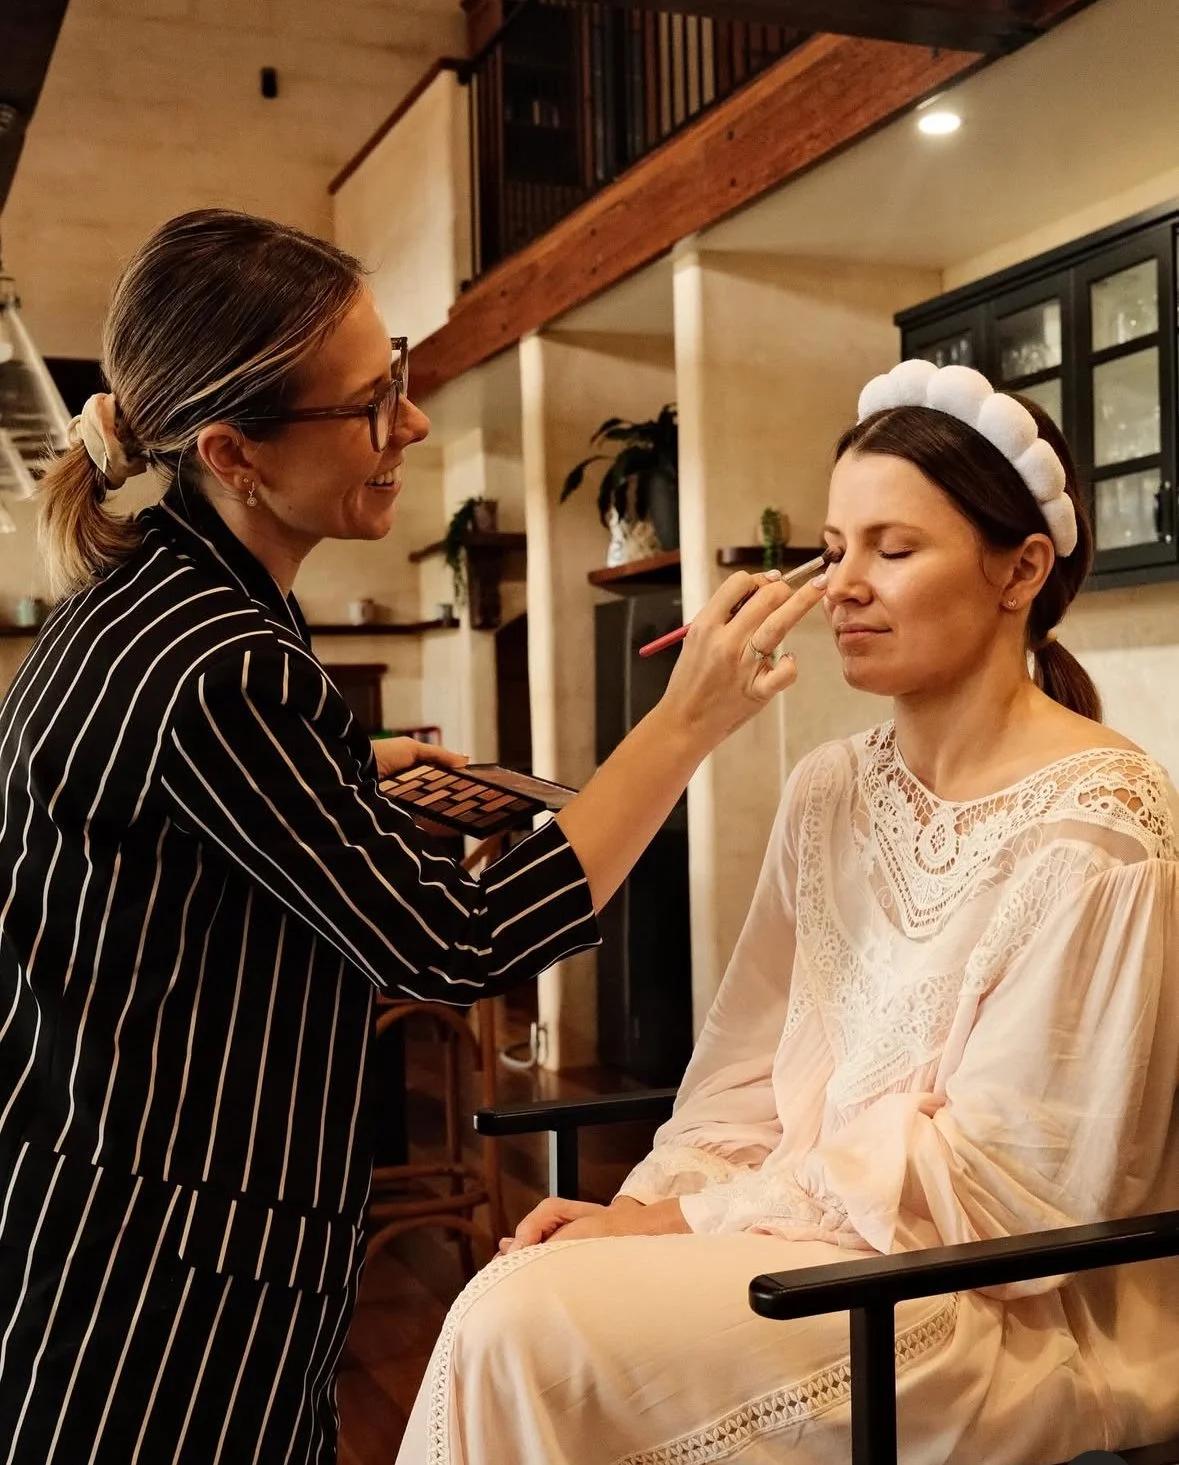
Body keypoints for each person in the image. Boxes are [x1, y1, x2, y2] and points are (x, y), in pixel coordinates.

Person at [0, 208, 824, 1464]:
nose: (413, 426)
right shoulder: (220, 664)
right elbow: (459, 939)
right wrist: (683, 724)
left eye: (401, 379)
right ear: (236, 453)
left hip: (96, 1192)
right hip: (155, 1258)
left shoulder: (162, 599)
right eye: (372, 403)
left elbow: (181, 828)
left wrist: (343, 770)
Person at [398, 360, 1179, 1465]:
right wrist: (649, 1210)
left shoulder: (1102, 821)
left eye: (893, 549)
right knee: (524, 1291)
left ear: (1022, 569)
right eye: (834, 546)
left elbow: (1016, 1188)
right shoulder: (828, 787)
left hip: (983, 1301)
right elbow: (741, 1074)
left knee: (521, 1331)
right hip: (798, 1240)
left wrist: (682, 1225)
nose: (842, 586)